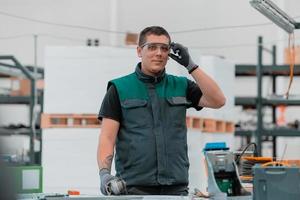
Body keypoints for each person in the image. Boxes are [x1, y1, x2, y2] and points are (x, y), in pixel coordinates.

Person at [97, 26, 226, 196]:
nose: (159, 53)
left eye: (164, 48)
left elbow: (218, 100)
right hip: (133, 190)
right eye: (152, 47)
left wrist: (191, 65)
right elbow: (107, 137)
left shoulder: (181, 86)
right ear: (139, 51)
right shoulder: (119, 88)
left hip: (176, 189)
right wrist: (104, 174)